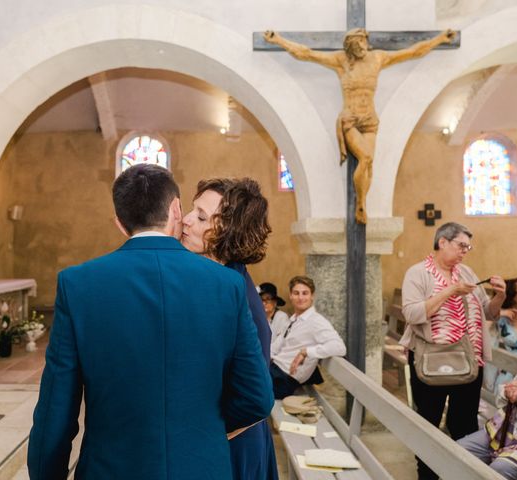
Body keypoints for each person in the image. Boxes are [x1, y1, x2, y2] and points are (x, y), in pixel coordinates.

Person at [28, 164, 274, 480]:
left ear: (119, 223)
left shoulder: (77, 284)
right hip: (202, 466)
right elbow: (257, 397)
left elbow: (55, 412)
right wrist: (200, 430)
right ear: (175, 208)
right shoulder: (227, 286)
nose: (187, 220)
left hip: (110, 468)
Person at [263, 28, 455, 223]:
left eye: (365, 41)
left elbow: (412, 52)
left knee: (369, 165)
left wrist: (439, 39)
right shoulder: (341, 61)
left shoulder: (377, 58)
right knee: (366, 157)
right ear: (350, 46)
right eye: (359, 43)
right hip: (350, 118)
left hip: (370, 120)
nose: (364, 46)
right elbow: (307, 54)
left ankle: (362, 202)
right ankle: (361, 204)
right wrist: (279, 40)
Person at [181, 177, 278, 480]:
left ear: (227, 231)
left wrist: (199, 436)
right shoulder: (212, 279)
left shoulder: (241, 299)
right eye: (190, 210)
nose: (184, 220)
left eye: (200, 216)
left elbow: (255, 401)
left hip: (230, 451)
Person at [401, 221, 506, 480]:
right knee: (428, 423)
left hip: (470, 360)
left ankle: (460, 473)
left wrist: (499, 297)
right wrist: (450, 291)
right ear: (442, 242)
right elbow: (413, 313)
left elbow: (487, 312)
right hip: (431, 360)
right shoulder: (417, 273)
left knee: (465, 424)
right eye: (461, 246)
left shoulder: (466, 272)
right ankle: (428, 475)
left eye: (467, 247)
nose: (464, 252)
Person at [270, 275, 346, 400]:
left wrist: (306, 352)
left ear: (312, 296)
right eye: (296, 293)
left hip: (283, 380)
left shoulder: (316, 321)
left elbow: (339, 347)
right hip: (273, 370)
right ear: (290, 296)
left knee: (239, 387)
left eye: (305, 293)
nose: (300, 297)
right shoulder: (294, 319)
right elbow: (275, 347)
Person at [457, 363, 517, 479]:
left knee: (499, 469)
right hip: (506, 427)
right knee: (459, 450)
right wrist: (508, 392)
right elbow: (501, 401)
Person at [488, 278, 517, 394]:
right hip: (508, 366)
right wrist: (502, 313)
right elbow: (482, 328)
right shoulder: (502, 318)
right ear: (511, 296)